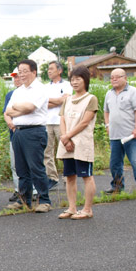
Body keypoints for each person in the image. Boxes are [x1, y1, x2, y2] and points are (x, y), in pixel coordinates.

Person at [4, 59, 51, 213]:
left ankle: (44, 200)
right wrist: (21, 107)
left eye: (25, 71)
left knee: (36, 167)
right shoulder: (18, 91)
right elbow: (8, 111)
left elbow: (31, 107)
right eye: (20, 71)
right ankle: (24, 199)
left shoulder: (40, 89)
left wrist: (18, 107)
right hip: (18, 131)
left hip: (34, 131)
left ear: (34, 72)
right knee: (21, 168)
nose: (21, 74)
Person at [56, 66, 98, 220]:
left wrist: (68, 136)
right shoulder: (67, 100)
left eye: (78, 79)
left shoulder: (91, 99)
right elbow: (62, 119)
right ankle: (72, 208)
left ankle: (87, 209)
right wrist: (65, 137)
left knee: (86, 176)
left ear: (85, 80)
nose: (74, 82)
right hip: (67, 143)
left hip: (82, 143)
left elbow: (85, 122)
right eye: (72, 79)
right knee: (69, 176)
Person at [103, 68, 136, 193]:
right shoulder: (109, 93)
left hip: (131, 135)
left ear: (125, 78)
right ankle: (117, 187)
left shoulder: (133, 92)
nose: (114, 79)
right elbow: (106, 111)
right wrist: (107, 125)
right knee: (115, 164)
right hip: (115, 136)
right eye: (112, 77)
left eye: (117, 77)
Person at [45, 61, 72, 190]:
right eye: (48, 69)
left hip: (61, 122)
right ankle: (52, 178)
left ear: (59, 70)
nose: (49, 71)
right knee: (47, 152)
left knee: (64, 150)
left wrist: (50, 101)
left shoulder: (67, 85)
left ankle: (68, 178)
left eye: (51, 69)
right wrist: (58, 101)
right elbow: (42, 104)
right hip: (47, 121)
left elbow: (66, 100)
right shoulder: (45, 87)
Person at [2, 68, 22, 202]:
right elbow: (6, 113)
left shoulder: (31, 93)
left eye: (18, 76)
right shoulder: (10, 94)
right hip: (13, 133)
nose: (16, 79)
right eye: (14, 77)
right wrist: (11, 124)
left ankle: (33, 191)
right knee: (15, 164)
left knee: (30, 164)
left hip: (27, 131)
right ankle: (17, 190)